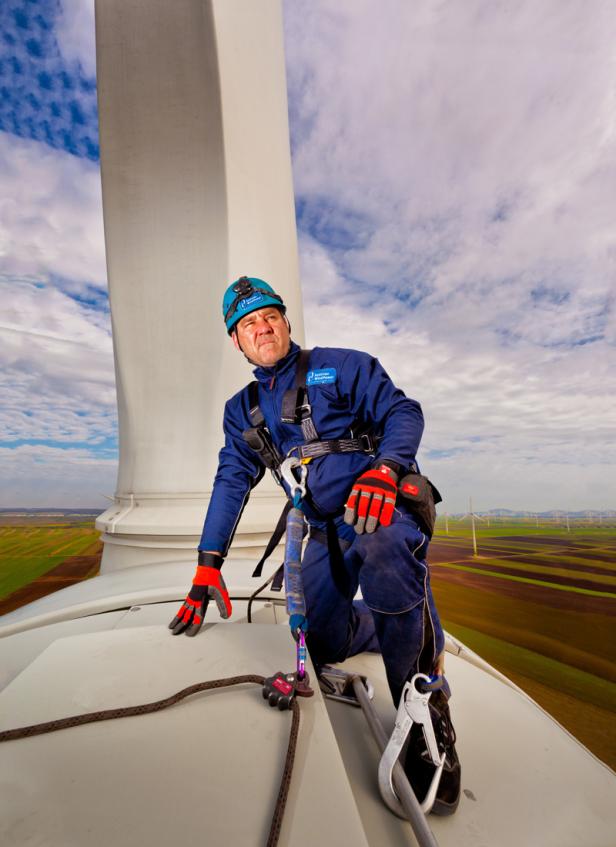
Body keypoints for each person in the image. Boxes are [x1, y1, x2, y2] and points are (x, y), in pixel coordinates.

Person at [169, 276, 461, 815]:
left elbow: (404, 411)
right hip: (323, 530)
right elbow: (231, 479)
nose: (262, 329)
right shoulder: (243, 411)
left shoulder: (342, 366)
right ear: (237, 340)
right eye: (248, 324)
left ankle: (423, 706)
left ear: (285, 321)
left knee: (385, 547)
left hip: (377, 514)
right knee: (323, 646)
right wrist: (208, 565)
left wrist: (385, 469)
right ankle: (399, 621)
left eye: (269, 317)